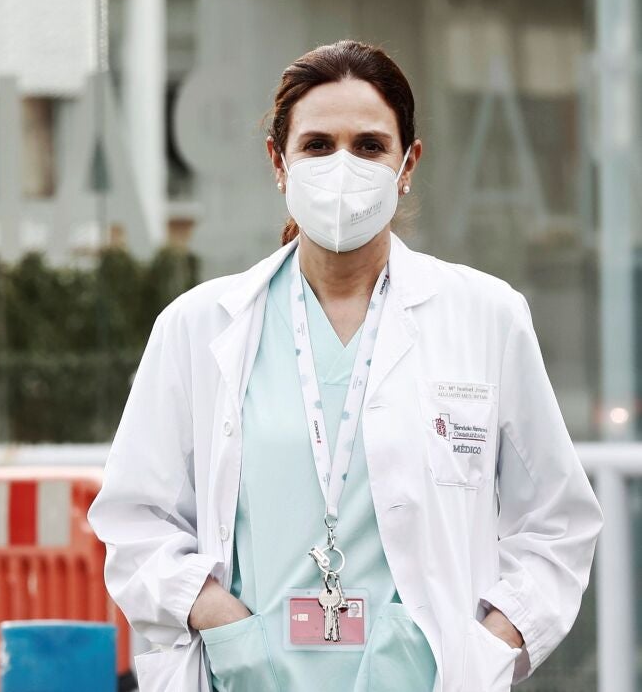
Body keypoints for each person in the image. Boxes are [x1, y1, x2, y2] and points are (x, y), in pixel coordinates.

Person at [89, 40, 599, 692]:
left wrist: (488, 649)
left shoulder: (486, 317)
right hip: (250, 677)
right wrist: (216, 616)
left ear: (408, 164)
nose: (342, 167)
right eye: (318, 145)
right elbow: (134, 519)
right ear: (278, 162)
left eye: (369, 145)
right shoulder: (198, 326)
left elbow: (558, 522)